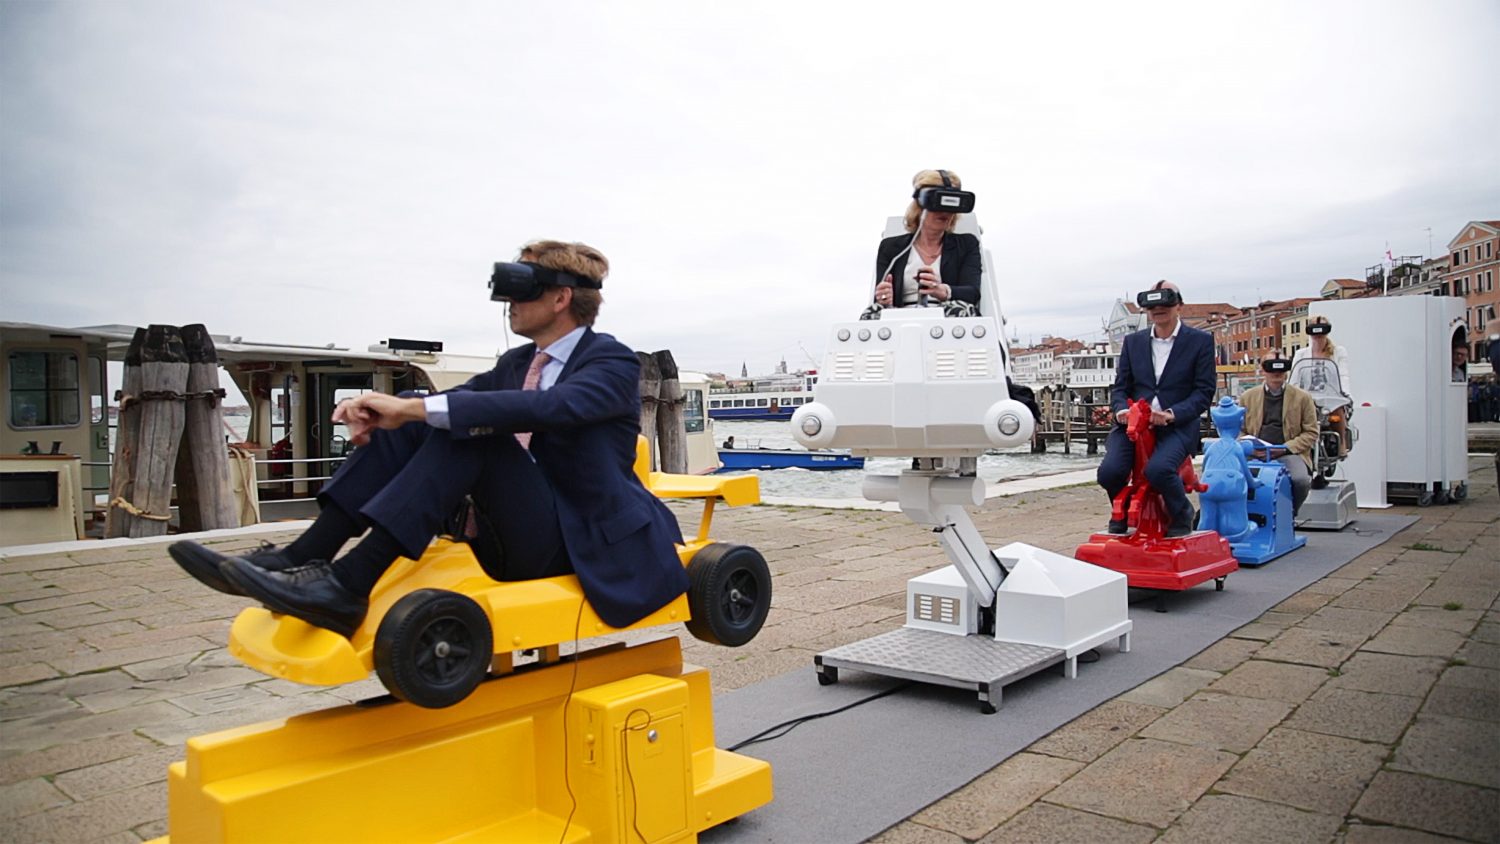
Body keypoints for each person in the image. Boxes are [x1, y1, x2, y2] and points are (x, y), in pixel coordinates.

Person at [168, 240, 688, 637]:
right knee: (419, 426)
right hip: (513, 528)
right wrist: (384, 412)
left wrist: (414, 405)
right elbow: (462, 403)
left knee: (469, 430)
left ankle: (350, 584)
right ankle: (308, 556)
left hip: (578, 539)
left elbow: (556, 407)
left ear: (560, 297)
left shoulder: (611, 360)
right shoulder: (514, 363)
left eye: (521, 288)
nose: (507, 301)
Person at [1097, 281, 1217, 538]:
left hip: (1177, 425)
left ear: (1179, 306)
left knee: (1159, 470)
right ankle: (1123, 508)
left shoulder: (1201, 341)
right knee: (1109, 472)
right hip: (1134, 424)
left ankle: (1180, 511)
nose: (1158, 310)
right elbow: (1120, 388)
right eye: (1152, 306)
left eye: (1166, 304)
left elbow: (1204, 392)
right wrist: (1122, 412)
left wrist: (1172, 414)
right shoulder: (1133, 342)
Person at [871, 169, 981, 310]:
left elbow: (973, 293)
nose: (945, 212)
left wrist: (943, 291)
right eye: (938, 204)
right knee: (873, 312)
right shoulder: (891, 247)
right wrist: (885, 298)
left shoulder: (967, 244)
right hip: (901, 316)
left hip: (948, 317)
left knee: (960, 309)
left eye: (951, 206)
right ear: (920, 206)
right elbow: (879, 296)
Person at [1237, 356, 1319, 516]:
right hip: (1255, 452)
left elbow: (1311, 432)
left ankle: (1289, 514)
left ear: (1286, 373)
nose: (1276, 374)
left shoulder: (1303, 398)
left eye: (1281, 370)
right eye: (1271, 369)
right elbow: (1239, 431)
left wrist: (1286, 448)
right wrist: (1250, 448)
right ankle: (1242, 516)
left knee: (1300, 480)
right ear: (1263, 372)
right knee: (1234, 477)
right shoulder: (1248, 397)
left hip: (1288, 452)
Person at [1292, 315, 1351, 453]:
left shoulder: (1338, 352)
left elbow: (1343, 374)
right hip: (1307, 397)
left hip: (1331, 396)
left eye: (1321, 332)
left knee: (1338, 410)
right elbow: (1295, 376)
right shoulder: (1301, 354)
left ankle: (1341, 442)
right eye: (1314, 333)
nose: (1318, 337)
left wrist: (1345, 393)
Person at [1291, 316, 1352, 397]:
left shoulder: (1338, 352)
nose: (1318, 334)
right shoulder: (1300, 354)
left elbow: (1343, 376)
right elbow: (1294, 380)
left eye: (1322, 329)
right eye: (1314, 329)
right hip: (1308, 399)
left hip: (1332, 398)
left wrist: (1346, 395)